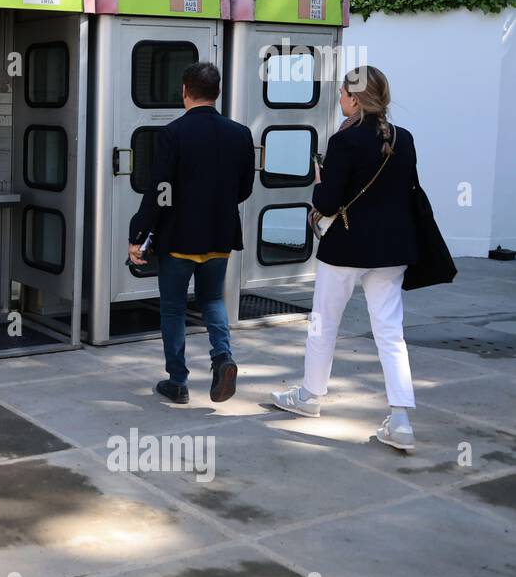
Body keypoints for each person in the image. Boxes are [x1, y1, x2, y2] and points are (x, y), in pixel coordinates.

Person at [270, 66, 419, 452]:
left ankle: (310, 395)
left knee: (324, 321)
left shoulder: (344, 141)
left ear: (354, 99)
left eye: (341, 94)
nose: (339, 100)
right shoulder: (404, 139)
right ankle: (401, 419)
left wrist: (320, 185)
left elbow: (327, 202)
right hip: (391, 250)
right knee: (390, 331)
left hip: (347, 247)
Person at [129, 62, 255, 404]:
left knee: (172, 308)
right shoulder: (240, 133)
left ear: (184, 91)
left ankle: (178, 381)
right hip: (220, 235)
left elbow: (160, 191)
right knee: (213, 299)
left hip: (179, 237)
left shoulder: (173, 134)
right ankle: (222, 358)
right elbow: (244, 189)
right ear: (217, 93)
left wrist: (138, 233)